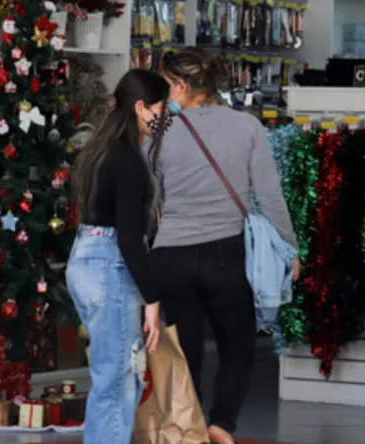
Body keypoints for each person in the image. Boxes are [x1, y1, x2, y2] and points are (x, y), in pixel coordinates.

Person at [153, 48, 299, 444]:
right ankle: (221, 423)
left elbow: (151, 195)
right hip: (225, 253)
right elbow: (269, 196)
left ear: (182, 85)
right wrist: (290, 248)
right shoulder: (247, 127)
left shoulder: (158, 128)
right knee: (237, 345)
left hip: (170, 255)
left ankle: (189, 426)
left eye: (166, 85)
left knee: (185, 351)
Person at [67, 69, 169, 444]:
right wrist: (152, 298)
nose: (164, 117)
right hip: (111, 266)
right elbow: (129, 238)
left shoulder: (100, 150)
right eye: (161, 108)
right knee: (119, 384)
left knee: (109, 377)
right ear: (141, 107)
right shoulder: (129, 161)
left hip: (86, 259)